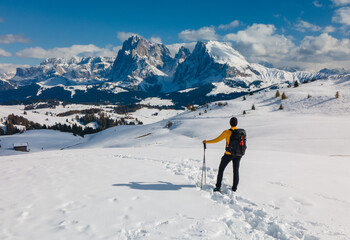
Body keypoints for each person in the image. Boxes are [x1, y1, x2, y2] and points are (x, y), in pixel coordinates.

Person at [202, 117, 243, 192]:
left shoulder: (227, 132)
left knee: (221, 169)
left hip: (228, 154)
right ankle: (234, 188)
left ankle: (218, 186)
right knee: (236, 170)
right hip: (239, 154)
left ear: (230, 123)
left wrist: (206, 142)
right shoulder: (241, 132)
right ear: (236, 123)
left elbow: (216, 140)